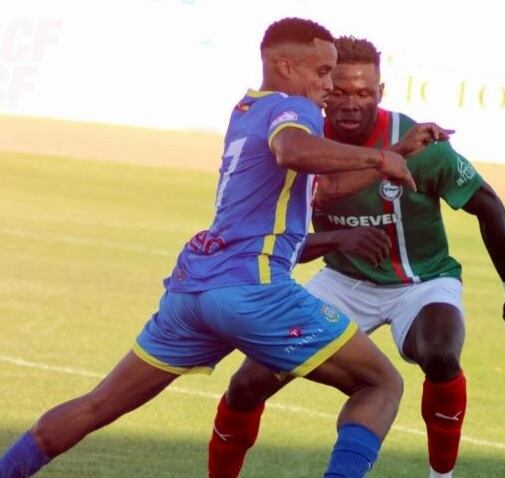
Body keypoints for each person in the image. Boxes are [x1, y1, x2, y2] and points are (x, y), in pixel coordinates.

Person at [0, 19, 422, 478]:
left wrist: (392, 154)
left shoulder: (248, 109)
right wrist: (378, 156)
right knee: (381, 383)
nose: (330, 86)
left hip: (194, 288)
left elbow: (315, 184)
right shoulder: (294, 108)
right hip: (251, 288)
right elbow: (293, 150)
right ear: (285, 66)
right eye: (322, 72)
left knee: (98, 404)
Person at [207, 36, 505, 478]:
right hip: (342, 282)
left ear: (380, 93)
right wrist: (337, 241)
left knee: (440, 353)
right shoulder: (303, 142)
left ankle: (442, 476)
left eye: (364, 92)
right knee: (248, 383)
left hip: (422, 282)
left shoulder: (420, 144)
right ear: (326, 88)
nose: (350, 102)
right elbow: (275, 242)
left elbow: (488, 205)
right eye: (341, 90)